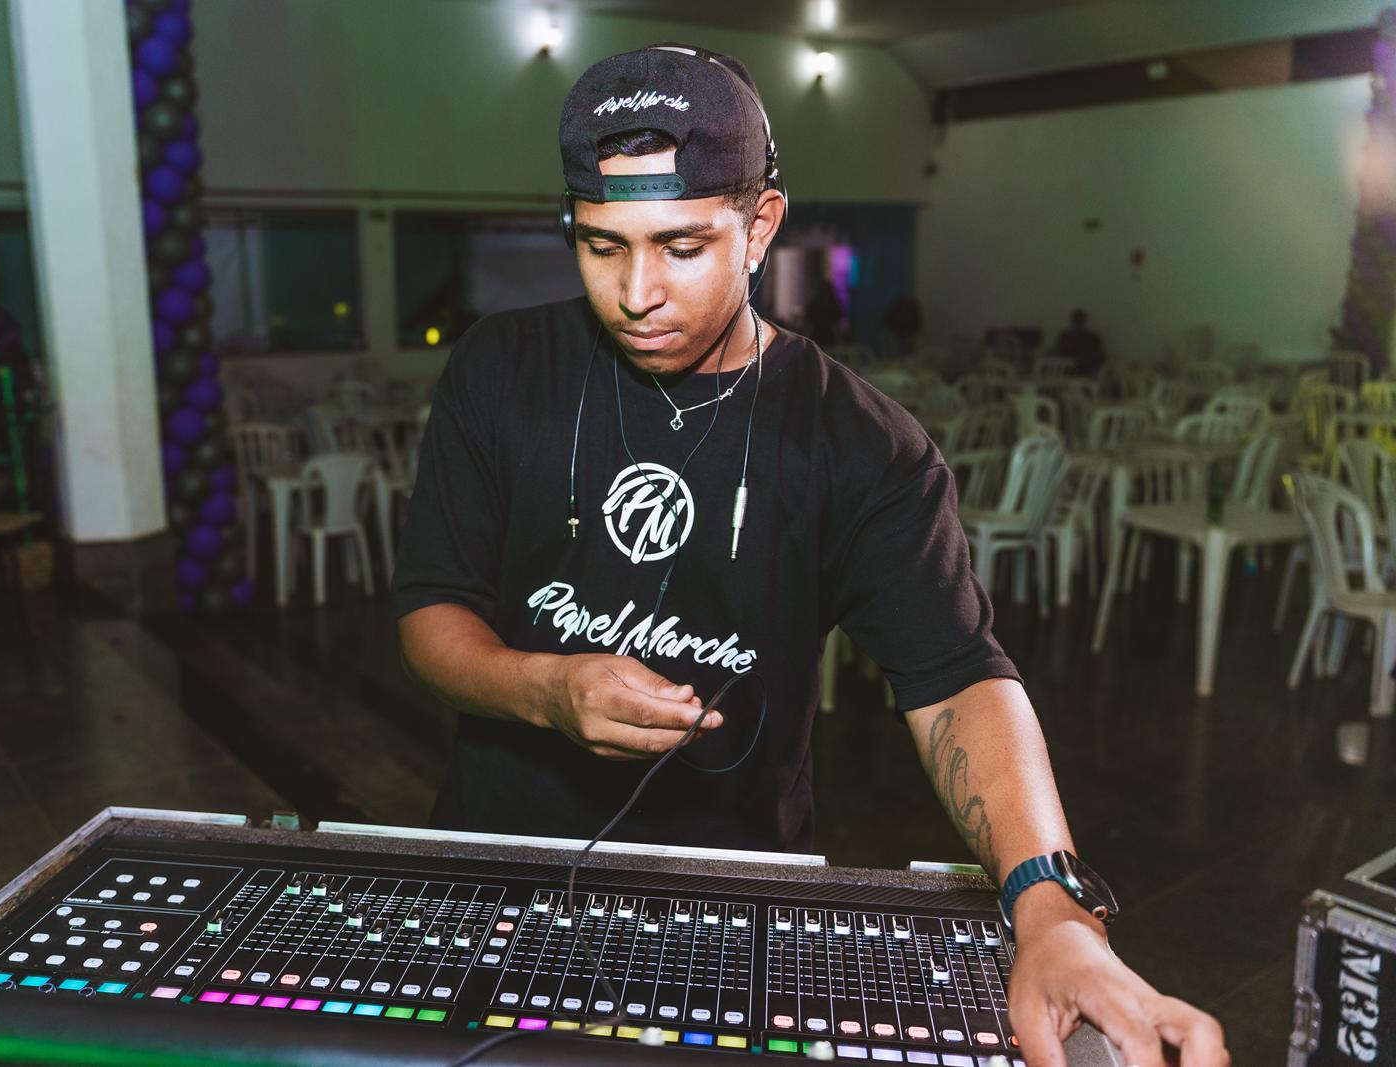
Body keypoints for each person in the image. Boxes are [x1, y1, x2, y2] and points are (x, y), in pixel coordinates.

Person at [394, 44, 1227, 1067]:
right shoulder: (498, 369)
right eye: (602, 246)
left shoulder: (863, 445)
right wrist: (544, 689)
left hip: (739, 904)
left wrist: (1049, 904)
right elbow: (430, 613)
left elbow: (958, 678)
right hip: (494, 875)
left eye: (680, 246)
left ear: (760, 227)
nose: (636, 291)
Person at [1057, 308, 1106, 377]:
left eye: (1080, 321)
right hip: (1065, 368)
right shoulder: (1064, 336)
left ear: (1084, 322)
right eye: (1076, 321)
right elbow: (1059, 352)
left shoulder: (1093, 338)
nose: (1078, 324)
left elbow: (1098, 356)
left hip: (1086, 370)